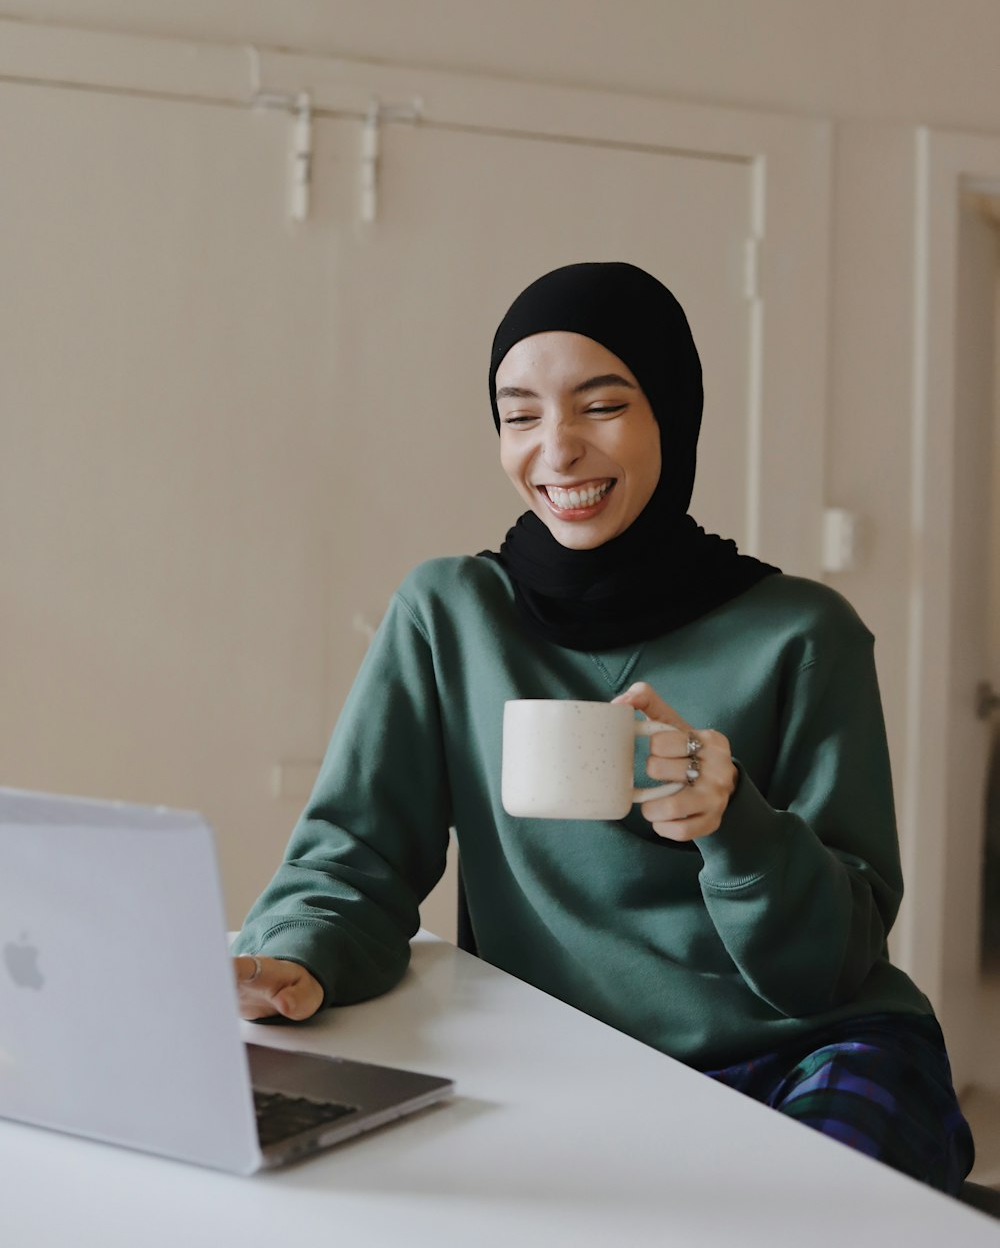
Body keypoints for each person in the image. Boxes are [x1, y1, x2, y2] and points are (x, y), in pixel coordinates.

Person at [232, 260, 974, 1193]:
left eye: (603, 404)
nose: (559, 449)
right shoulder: (447, 613)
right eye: (522, 414)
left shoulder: (803, 632)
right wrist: (292, 956)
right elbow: (353, 860)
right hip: (562, 1063)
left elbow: (833, 966)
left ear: (673, 410)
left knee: (810, 1216)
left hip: (804, 1050)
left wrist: (730, 818)